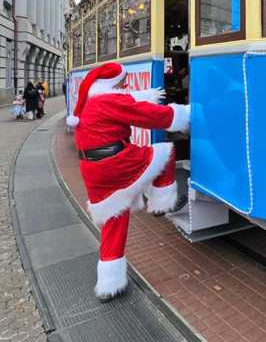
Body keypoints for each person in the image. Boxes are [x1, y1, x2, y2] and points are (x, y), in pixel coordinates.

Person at [66, 62, 190, 303]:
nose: (126, 85)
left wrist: (144, 96)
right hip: (114, 163)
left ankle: (108, 284)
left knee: (115, 218)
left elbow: (128, 100)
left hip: (93, 172)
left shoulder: (92, 101)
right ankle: (162, 203)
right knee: (164, 153)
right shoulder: (110, 101)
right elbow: (150, 116)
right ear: (113, 84)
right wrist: (185, 113)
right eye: (123, 82)